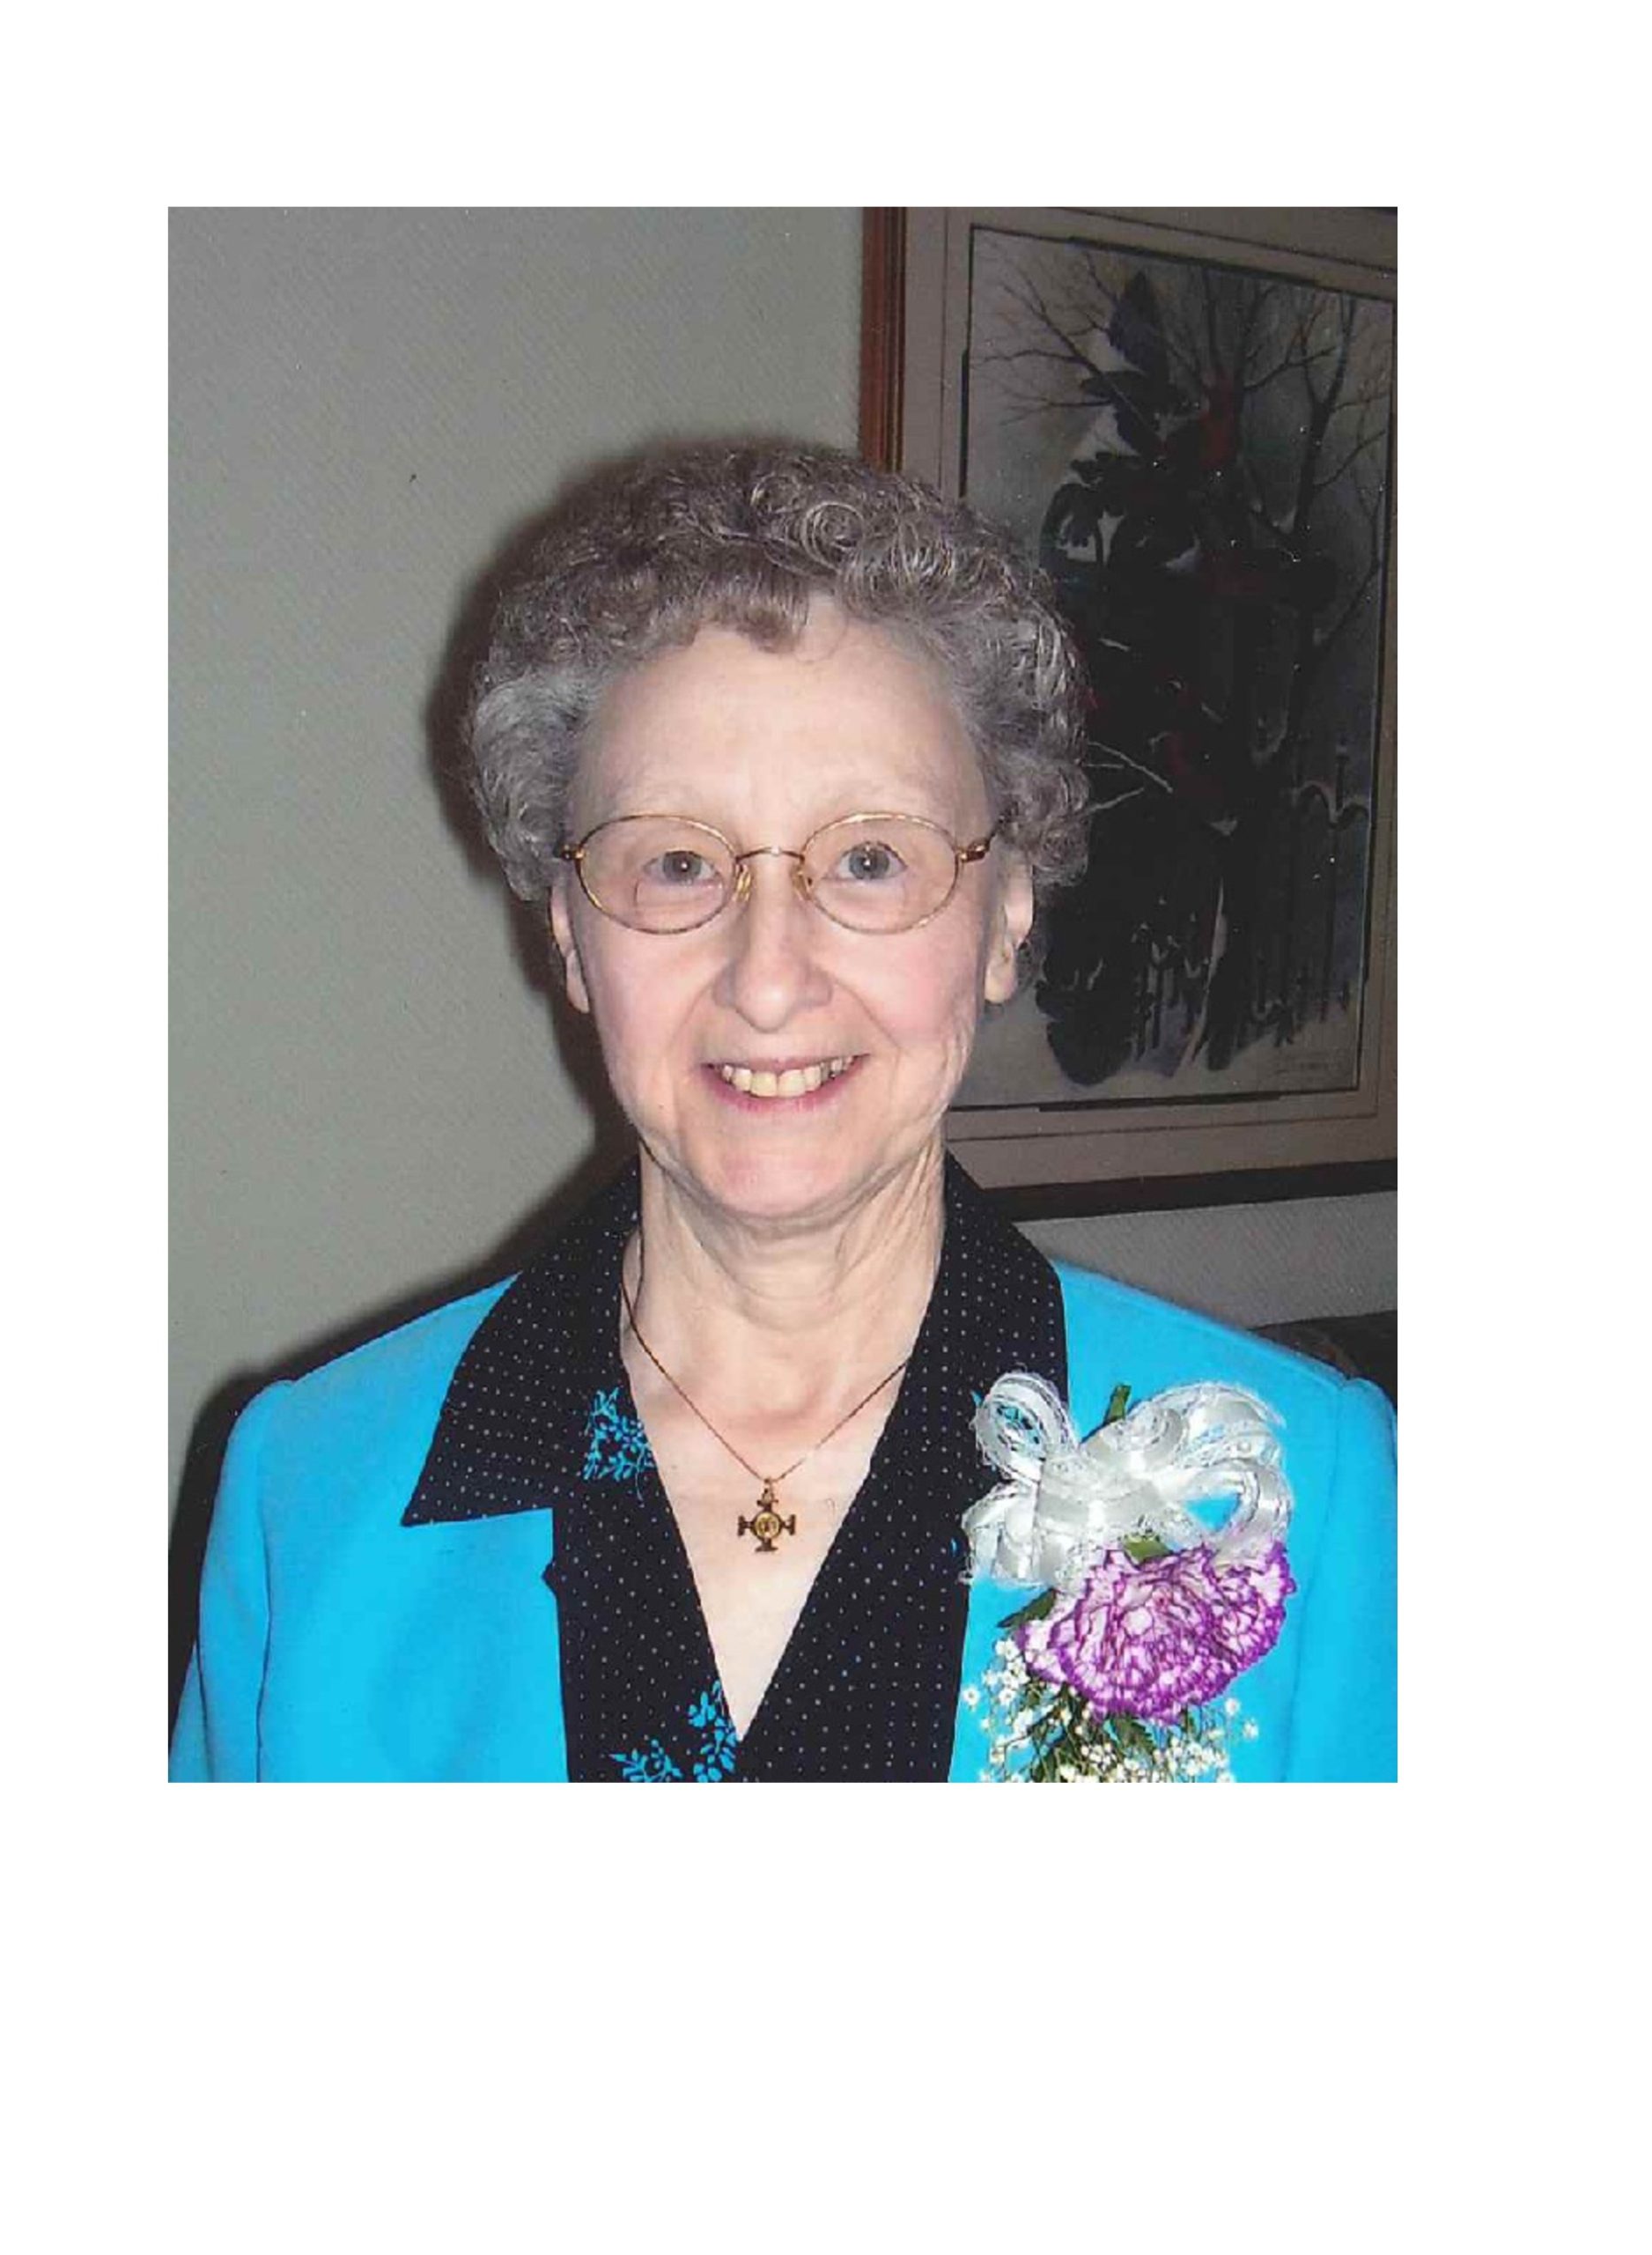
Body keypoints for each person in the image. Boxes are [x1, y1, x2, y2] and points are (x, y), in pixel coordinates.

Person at [170, 441, 1395, 1784]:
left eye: (868, 858)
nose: (765, 979)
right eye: (674, 862)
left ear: (1006, 914)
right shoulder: (307, 1487)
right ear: (571, 935)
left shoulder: (1298, 1486)